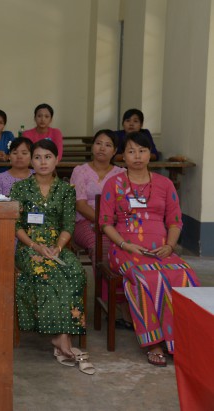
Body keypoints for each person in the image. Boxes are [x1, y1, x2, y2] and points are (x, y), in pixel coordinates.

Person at [99, 132, 198, 367]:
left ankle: (179, 340)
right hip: (124, 249)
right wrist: (124, 244)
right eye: (131, 151)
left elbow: (175, 221)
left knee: (185, 275)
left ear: (149, 154)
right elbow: (104, 223)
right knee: (145, 277)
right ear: (122, 156)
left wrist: (170, 246)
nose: (137, 156)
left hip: (161, 250)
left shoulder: (165, 184)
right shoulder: (114, 184)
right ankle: (153, 341)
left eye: (142, 150)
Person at [10, 139, 94, 375]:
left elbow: (68, 225)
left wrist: (57, 248)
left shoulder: (66, 190)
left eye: (48, 157)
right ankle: (62, 341)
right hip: (29, 247)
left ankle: (62, 338)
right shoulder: (20, 188)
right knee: (47, 272)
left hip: (57, 247)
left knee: (75, 272)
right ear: (31, 160)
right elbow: (16, 225)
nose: (42, 162)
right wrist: (36, 246)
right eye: (37, 157)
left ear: (56, 159)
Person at [69, 129, 126, 325]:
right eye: (98, 143)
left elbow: (124, 206)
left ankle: (125, 300)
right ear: (92, 146)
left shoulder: (122, 174)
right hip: (85, 222)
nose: (102, 148)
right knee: (100, 246)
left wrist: (111, 224)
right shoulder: (80, 171)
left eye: (108, 145)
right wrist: (103, 223)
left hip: (115, 224)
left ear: (115, 151)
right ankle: (109, 302)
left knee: (124, 247)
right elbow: (80, 204)